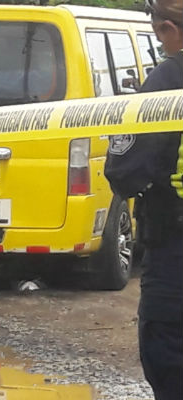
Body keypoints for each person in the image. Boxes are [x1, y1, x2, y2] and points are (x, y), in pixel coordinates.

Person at [104, 1, 183, 399]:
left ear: (169, 28)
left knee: (168, 361)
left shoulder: (168, 80)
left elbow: (123, 171)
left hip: (175, 251)